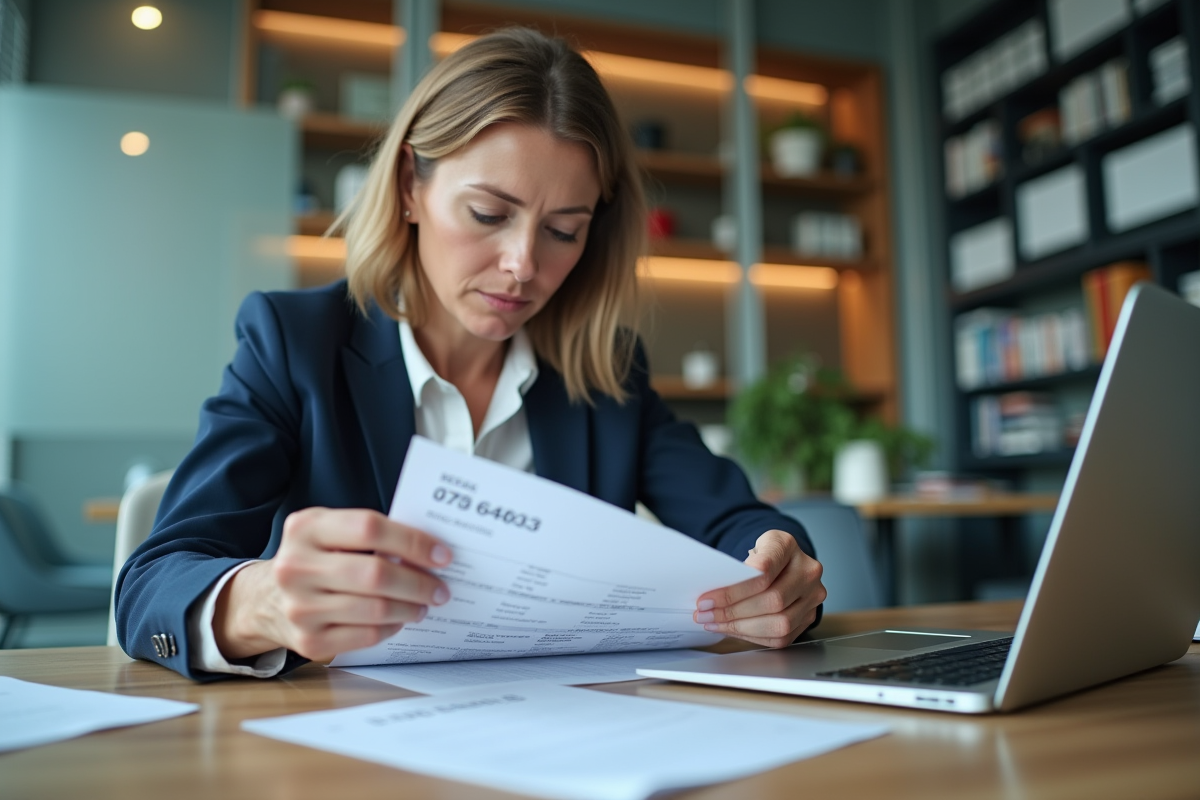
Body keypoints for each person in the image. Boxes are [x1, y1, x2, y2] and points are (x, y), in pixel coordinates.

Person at [115, 28, 826, 681]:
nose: (522, 265)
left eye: (564, 230)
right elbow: (152, 584)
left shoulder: (606, 373)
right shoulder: (294, 343)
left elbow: (739, 524)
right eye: (488, 215)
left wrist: (777, 569)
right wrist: (258, 602)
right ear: (408, 187)